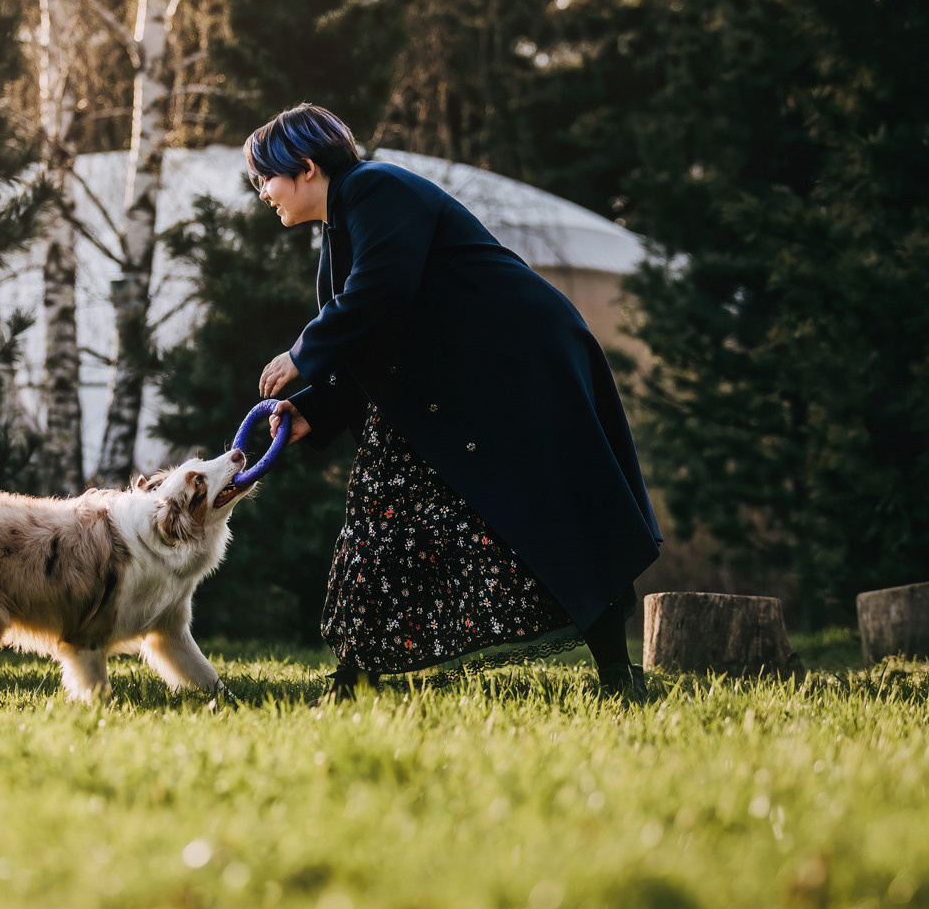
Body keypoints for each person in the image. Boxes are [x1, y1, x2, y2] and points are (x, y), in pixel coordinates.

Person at [247, 104, 660, 700]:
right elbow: (377, 339)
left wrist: (303, 353)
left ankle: (619, 679)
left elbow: (384, 289)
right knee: (381, 507)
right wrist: (319, 406)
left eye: (266, 178)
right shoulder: (341, 228)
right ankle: (354, 678)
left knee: (553, 509)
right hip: (457, 385)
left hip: (516, 369)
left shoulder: (374, 188)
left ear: (306, 168)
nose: (263, 193)